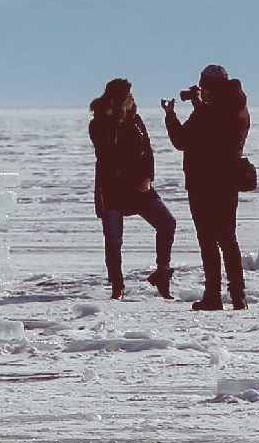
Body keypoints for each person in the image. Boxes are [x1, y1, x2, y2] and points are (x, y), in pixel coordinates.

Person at [161, 64, 250, 311]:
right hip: (229, 182)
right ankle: (238, 295)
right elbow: (216, 130)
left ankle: (213, 296)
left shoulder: (208, 113)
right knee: (228, 239)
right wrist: (200, 105)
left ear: (209, 87)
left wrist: (170, 115)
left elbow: (181, 140)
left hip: (204, 184)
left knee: (208, 240)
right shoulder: (238, 108)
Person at [89, 78, 176, 300]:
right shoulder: (100, 123)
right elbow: (108, 154)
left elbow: (147, 150)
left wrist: (147, 177)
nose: (132, 100)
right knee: (114, 238)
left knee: (167, 223)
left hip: (139, 188)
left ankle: (162, 273)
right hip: (112, 189)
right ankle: (117, 286)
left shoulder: (136, 120)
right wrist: (118, 119)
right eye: (128, 96)